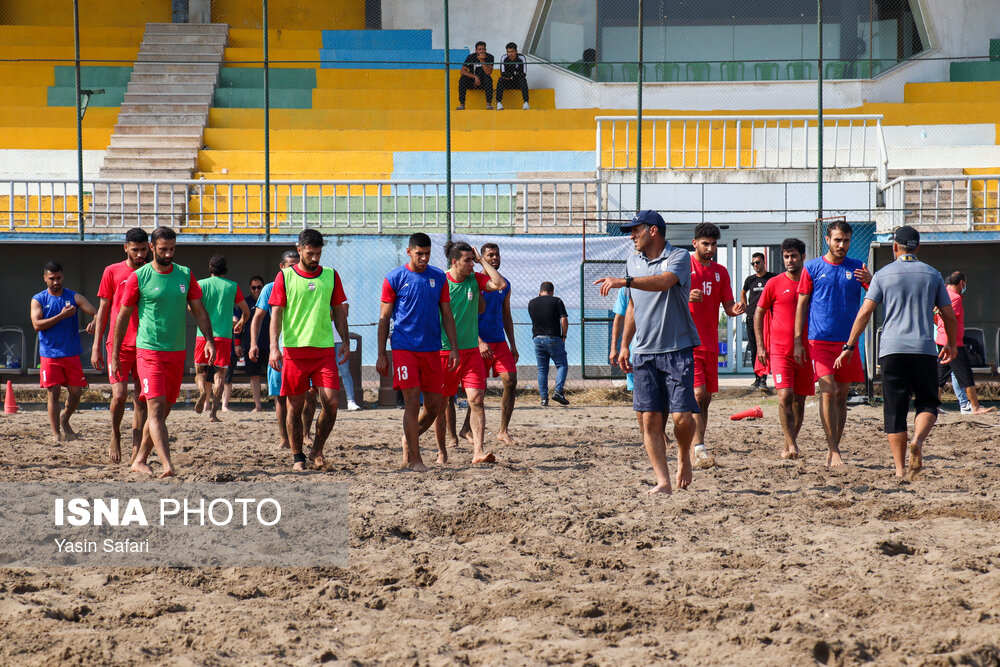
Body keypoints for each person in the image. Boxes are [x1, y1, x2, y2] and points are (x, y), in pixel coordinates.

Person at [834, 226, 956, 479]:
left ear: (895, 247)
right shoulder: (932, 275)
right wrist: (952, 343)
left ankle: (900, 470)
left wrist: (848, 346)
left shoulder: (882, 275)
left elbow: (865, 312)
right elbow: (948, 314)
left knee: (894, 411)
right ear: (918, 248)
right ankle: (918, 441)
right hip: (923, 350)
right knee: (928, 403)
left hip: (891, 351)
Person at [594, 210, 700, 495]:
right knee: (650, 420)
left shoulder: (678, 257)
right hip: (643, 352)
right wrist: (625, 344)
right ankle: (663, 481)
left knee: (681, 419)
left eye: (635, 230)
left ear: (653, 231)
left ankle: (683, 456)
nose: (630, 236)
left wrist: (624, 282)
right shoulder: (632, 261)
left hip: (677, 349)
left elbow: (664, 282)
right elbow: (632, 307)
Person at [115, 226, 215, 478]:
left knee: (164, 410)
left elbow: (199, 311)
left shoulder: (185, 274)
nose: (168, 254)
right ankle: (168, 464)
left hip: (176, 353)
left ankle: (139, 459)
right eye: (163, 250)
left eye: (172, 249)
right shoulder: (140, 277)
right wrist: (114, 354)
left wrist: (210, 340)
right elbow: (122, 318)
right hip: (149, 352)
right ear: (152, 248)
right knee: (156, 410)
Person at [377, 233, 460, 471]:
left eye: (427, 254)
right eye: (419, 254)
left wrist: (454, 348)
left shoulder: (438, 278)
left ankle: (408, 438)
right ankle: (415, 458)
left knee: (434, 406)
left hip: (432, 349)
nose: (423, 258)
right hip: (404, 348)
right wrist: (382, 353)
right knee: (412, 402)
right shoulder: (394, 278)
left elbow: (447, 315)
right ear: (409, 252)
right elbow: (384, 318)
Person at [268, 229, 349, 471]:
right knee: (295, 406)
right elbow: (276, 314)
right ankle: (297, 456)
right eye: (311, 253)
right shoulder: (285, 277)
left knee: (332, 403)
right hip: (294, 351)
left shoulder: (331, 276)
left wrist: (345, 341)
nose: (315, 259)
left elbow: (339, 312)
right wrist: (274, 347)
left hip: (324, 350)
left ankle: (317, 449)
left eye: (319, 254)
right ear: (300, 249)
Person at [794, 219, 872, 467]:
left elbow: (875, 297)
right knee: (827, 392)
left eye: (846, 240)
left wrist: (871, 279)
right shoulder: (812, 268)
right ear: (827, 240)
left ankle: (834, 448)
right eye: (837, 240)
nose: (842, 244)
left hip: (847, 343)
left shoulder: (858, 267)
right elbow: (802, 305)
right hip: (819, 342)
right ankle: (833, 448)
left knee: (841, 396)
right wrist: (798, 340)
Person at [434, 241, 506, 464]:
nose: (471, 265)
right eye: (468, 260)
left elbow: (500, 283)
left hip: (471, 353)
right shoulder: (441, 281)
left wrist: (481, 259)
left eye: (473, 260)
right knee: (440, 404)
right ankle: (442, 451)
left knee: (476, 399)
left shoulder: (475, 278)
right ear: (454, 262)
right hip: (445, 352)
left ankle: (478, 451)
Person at [688, 223, 746, 469]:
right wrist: (684, 296)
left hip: (710, 343)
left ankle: (698, 443)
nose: (710, 248)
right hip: (688, 343)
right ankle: (695, 447)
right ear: (695, 243)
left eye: (713, 244)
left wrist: (736, 308)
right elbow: (665, 297)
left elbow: (728, 307)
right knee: (697, 393)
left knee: (706, 398)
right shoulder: (683, 267)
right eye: (705, 243)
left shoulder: (720, 272)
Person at [91, 227, 149, 463]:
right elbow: (103, 310)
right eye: (135, 250)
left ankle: (137, 449)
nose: (139, 254)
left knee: (142, 399)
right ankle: (115, 434)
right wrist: (96, 346)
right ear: (126, 248)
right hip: (118, 343)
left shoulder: (152, 272)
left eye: (144, 250)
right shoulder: (111, 271)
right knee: (120, 395)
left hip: (145, 343)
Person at [249, 251, 316, 450]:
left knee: (310, 393)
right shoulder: (270, 289)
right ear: (281, 267)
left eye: (297, 265)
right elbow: (258, 318)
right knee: (280, 395)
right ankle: (284, 438)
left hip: (305, 349)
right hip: (280, 350)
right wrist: (254, 343)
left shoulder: (308, 284)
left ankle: (305, 434)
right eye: (290, 266)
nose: (294, 269)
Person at [754, 238, 812, 459]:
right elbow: (758, 313)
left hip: (806, 352)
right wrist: (761, 345)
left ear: (802, 257)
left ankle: (790, 442)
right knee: (784, 396)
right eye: (786, 256)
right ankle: (792, 445)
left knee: (800, 399)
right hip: (779, 351)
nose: (790, 260)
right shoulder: (774, 283)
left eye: (794, 256)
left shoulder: (811, 282)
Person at [30, 260, 97, 443]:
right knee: (54, 392)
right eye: (52, 278)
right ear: (45, 278)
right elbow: (37, 325)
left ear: (63, 277)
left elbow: (96, 312)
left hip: (71, 354)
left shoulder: (73, 297)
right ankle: (56, 434)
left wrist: (95, 322)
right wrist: (61, 316)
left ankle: (65, 419)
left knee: (76, 393)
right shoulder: (39, 299)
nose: (55, 282)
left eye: (58, 278)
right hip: (50, 354)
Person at [459, 242, 519, 446]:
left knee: (510, 380)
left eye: (497, 255)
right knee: (477, 388)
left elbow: (506, 315)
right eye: (490, 255)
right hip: (477, 342)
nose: (495, 258)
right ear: (481, 258)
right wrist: (479, 341)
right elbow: (464, 316)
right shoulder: (472, 282)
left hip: (499, 342)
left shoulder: (504, 284)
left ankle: (503, 431)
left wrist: (513, 345)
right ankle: (465, 429)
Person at [193, 255, 249, 423]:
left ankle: (203, 392)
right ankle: (213, 414)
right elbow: (246, 312)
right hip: (224, 336)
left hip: (202, 335)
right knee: (220, 374)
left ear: (210, 266)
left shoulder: (200, 284)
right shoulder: (232, 286)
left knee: (199, 372)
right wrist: (240, 323)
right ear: (225, 268)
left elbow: (190, 307)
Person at [936, 271, 995, 415]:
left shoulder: (941, 296)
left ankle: (933, 406)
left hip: (942, 339)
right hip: (952, 341)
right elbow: (951, 319)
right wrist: (951, 342)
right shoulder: (954, 297)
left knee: (941, 374)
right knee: (965, 374)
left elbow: (937, 317)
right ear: (961, 283)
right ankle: (974, 406)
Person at [528, 281, 569, 406]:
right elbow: (564, 319)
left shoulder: (532, 303)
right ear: (552, 292)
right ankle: (558, 391)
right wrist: (564, 335)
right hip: (553, 338)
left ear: (540, 292)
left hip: (537, 338)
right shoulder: (557, 301)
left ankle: (543, 398)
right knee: (562, 365)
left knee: (542, 370)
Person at [740, 251, 776, 389]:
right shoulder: (750, 280)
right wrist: (744, 304)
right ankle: (757, 377)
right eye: (753, 263)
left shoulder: (772, 278)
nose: (755, 265)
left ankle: (764, 378)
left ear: (763, 262)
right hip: (751, 317)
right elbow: (743, 292)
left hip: (767, 319)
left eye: (757, 262)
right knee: (754, 347)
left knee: (765, 347)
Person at [335, 302, 361, 411]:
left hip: (339, 339)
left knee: (344, 370)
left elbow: (344, 311)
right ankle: (327, 400)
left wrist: (333, 313)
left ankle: (350, 400)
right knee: (326, 371)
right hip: (322, 339)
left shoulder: (335, 289)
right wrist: (335, 312)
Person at [456, 41, 494, 110]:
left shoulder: (490, 57)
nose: (482, 51)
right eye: (479, 49)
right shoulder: (471, 57)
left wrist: (482, 61)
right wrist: (475, 77)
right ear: (476, 50)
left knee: (488, 78)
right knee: (462, 79)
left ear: (485, 50)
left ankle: (488, 104)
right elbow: (462, 71)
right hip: (472, 80)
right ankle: (462, 104)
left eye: (483, 49)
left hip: (484, 81)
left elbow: (488, 72)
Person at [496, 42, 529, 110]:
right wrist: (515, 73)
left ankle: (526, 102)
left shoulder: (521, 58)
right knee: (500, 80)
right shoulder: (504, 58)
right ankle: (499, 103)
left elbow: (524, 73)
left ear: (516, 51)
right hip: (508, 82)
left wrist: (510, 75)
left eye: (512, 52)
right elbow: (502, 73)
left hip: (518, 82)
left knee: (523, 80)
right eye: (508, 52)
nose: (510, 54)